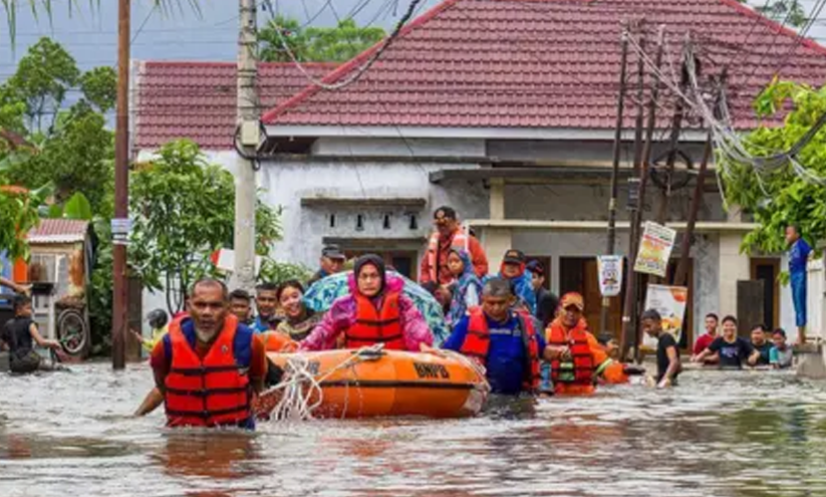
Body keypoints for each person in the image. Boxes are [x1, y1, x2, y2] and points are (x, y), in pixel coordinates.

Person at [146, 278, 270, 429]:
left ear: (227, 308)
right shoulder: (166, 346)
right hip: (182, 435)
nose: (207, 312)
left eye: (215, 306)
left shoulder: (250, 342)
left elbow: (258, 384)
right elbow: (162, 386)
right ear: (188, 306)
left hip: (236, 433)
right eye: (200, 305)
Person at [443, 278, 554, 396]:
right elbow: (446, 353)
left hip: (519, 396)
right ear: (482, 300)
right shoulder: (468, 323)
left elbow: (543, 350)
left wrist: (561, 352)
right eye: (491, 303)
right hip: (481, 395)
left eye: (501, 303)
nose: (496, 308)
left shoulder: (523, 324)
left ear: (510, 300)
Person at [301, 254, 434, 352]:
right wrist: (305, 347)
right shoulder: (344, 305)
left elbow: (414, 324)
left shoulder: (401, 302)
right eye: (363, 276)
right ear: (356, 279)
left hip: (396, 366)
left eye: (374, 276)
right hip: (358, 368)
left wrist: (422, 345)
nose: (369, 281)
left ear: (382, 278)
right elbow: (324, 330)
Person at [544, 292, 605, 395]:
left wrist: (623, 372)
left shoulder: (588, 338)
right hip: (555, 394)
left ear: (581, 314)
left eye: (576, 311)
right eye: (567, 309)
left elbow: (605, 366)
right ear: (559, 310)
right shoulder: (547, 335)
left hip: (583, 395)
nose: (571, 314)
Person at [420, 206, 488, 285]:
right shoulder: (434, 243)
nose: (442, 227)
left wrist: (466, 279)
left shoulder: (468, 241)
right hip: (438, 288)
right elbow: (425, 268)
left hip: (460, 287)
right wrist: (426, 282)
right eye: (439, 225)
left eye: (445, 224)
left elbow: (482, 267)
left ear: (455, 222)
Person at [1, 295, 62, 373]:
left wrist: (13, 350)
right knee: (58, 368)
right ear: (19, 309)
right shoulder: (29, 323)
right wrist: (54, 343)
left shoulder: (7, 325)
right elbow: (41, 342)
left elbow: (2, 345)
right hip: (30, 360)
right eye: (28, 308)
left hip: (14, 364)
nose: (31, 311)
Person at [692, 315, 759, 369]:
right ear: (722, 327)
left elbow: (756, 352)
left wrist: (753, 357)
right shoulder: (719, 341)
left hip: (737, 371)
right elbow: (705, 352)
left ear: (735, 327)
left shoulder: (741, 341)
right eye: (726, 325)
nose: (729, 328)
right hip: (722, 372)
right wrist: (697, 358)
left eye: (731, 325)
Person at [641, 309, 681, 388]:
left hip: (667, 385)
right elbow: (679, 367)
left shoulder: (666, 339)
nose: (646, 330)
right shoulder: (661, 340)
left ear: (659, 324)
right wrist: (657, 377)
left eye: (649, 326)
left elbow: (674, 362)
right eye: (644, 327)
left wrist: (664, 380)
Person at [786, 225, 811, 343]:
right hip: (793, 275)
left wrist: (809, 262)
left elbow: (811, 252)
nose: (787, 236)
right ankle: (800, 334)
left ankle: (801, 336)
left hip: (800, 274)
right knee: (796, 304)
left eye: (789, 233)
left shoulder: (801, 243)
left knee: (800, 304)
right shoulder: (792, 247)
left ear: (797, 234)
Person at [445, 249, 482, 326]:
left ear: (465, 262)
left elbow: (472, 307)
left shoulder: (470, 282)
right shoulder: (459, 281)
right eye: (450, 262)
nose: (453, 265)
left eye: (457, 261)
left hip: (466, 324)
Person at [496, 249, 536, 315]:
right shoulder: (493, 282)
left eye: (515, 264)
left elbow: (530, 313)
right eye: (508, 263)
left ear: (522, 267)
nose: (511, 267)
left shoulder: (527, 287)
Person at [526, 260, 559, 329]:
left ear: (541, 279)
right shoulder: (525, 296)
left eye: (533, 277)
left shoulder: (546, 298)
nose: (529, 280)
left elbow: (542, 326)